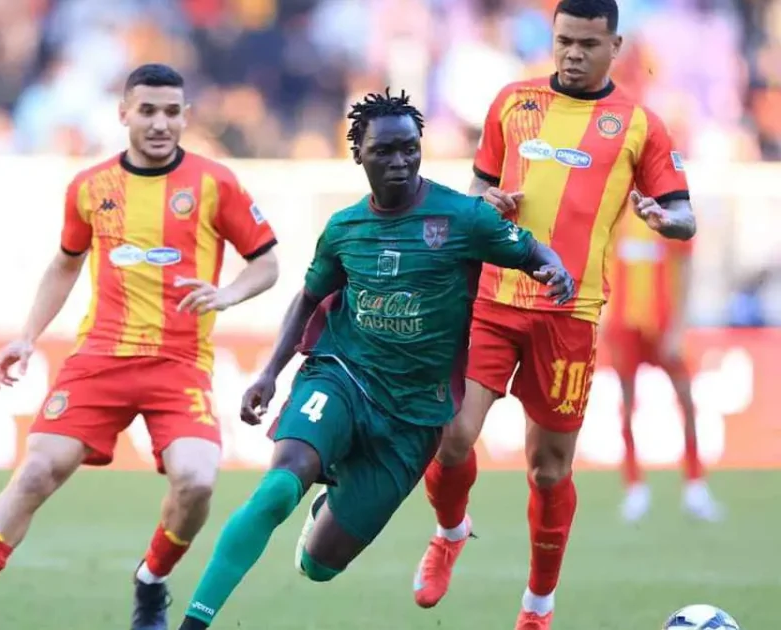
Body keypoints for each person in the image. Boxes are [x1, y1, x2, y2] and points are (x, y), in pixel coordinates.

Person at [175, 89, 576, 630]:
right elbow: (309, 298)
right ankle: (194, 622)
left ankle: (330, 505)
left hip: (414, 416)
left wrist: (554, 270)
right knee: (279, 486)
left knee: (320, 566)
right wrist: (270, 374)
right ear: (358, 154)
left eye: (409, 148)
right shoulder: (344, 228)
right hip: (342, 375)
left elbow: (530, 251)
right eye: (384, 150)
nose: (400, 161)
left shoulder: (463, 217)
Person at [0, 63, 280, 630]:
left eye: (171, 112)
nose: (160, 123)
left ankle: (151, 579)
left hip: (179, 364)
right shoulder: (90, 187)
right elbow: (65, 264)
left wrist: (228, 294)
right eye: (147, 110)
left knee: (197, 482)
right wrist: (27, 337)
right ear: (123, 113)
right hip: (100, 360)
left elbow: (267, 262)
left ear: (186, 116)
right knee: (36, 471)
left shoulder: (216, 183)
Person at [411, 0, 698, 627]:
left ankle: (537, 605)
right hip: (493, 299)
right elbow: (477, 189)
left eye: (588, 44)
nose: (572, 53)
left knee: (548, 470)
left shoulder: (641, 126)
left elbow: (685, 215)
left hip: (570, 316)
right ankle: (451, 532)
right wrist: (489, 203)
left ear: (614, 47)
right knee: (450, 435)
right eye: (564, 40)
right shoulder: (512, 102)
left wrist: (663, 218)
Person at [605, 211, 722, 522]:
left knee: (687, 401)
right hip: (624, 326)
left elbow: (685, 269)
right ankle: (634, 487)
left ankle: (695, 486)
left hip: (664, 325)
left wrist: (678, 328)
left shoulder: (669, 217)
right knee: (627, 406)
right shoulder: (616, 214)